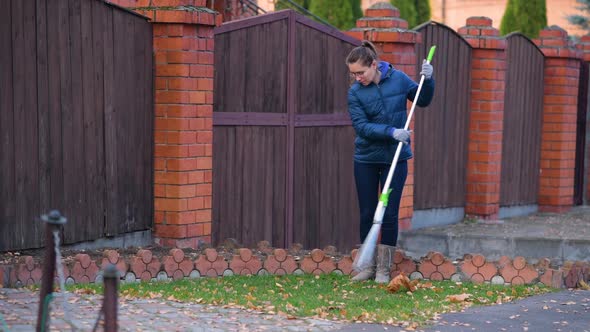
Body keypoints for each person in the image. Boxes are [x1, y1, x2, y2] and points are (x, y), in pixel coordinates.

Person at [346, 40, 435, 283]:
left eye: (361, 72)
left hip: (395, 159)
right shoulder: (355, 92)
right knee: (367, 212)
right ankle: (368, 266)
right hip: (366, 159)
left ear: (374, 65)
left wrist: (429, 80)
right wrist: (391, 132)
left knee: (389, 213)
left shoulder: (399, 79)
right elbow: (361, 127)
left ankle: (384, 269)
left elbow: (422, 99)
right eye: (353, 74)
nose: (357, 78)